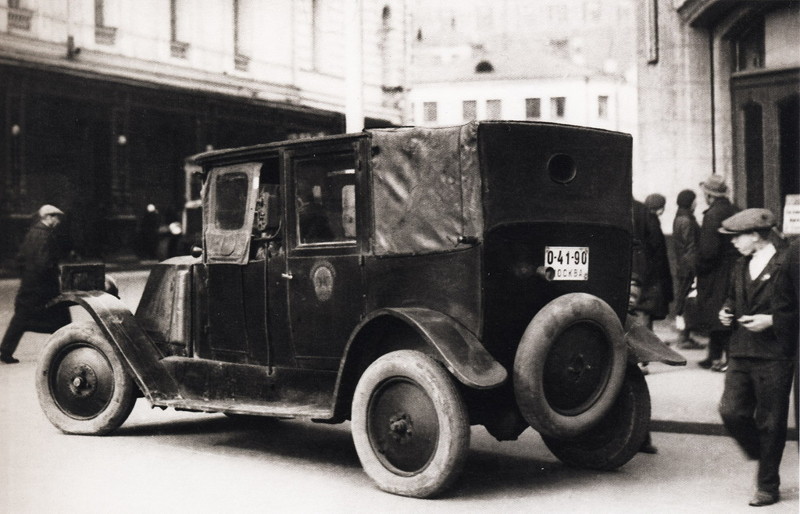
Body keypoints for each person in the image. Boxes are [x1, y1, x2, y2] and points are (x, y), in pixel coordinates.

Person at [716, 209, 797, 507]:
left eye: (737, 237)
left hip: (774, 353)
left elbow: (796, 307)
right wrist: (726, 312)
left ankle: (767, 485)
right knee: (731, 411)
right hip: (740, 349)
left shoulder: (787, 262)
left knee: (771, 422)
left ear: (755, 236)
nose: (734, 243)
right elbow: (732, 298)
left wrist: (772, 321)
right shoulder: (739, 265)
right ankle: (764, 454)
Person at [0, 205, 71, 364]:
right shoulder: (45, 235)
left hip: (31, 283)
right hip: (43, 285)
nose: (58, 221)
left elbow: (20, 259)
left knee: (23, 318)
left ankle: (6, 350)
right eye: (56, 217)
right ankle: (64, 350)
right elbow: (43, 262)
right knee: (59, 318)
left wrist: (27, 276)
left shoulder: (32, 232)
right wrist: (52, 272)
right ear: (48, 217)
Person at [696, 175, 739, 372]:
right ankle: (714, 356)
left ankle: (726, 359)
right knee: (724, 311)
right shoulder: (733, 208)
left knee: (718, 314)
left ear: (708, 194)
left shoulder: (712, 214)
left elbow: (708, 251)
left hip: (716, 272)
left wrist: (700, 268)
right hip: (733, 267)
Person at [672, 189, 703, 349]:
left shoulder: (679, 217)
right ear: (690, 202)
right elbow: (690, 247)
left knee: (683, 298)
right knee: (684, 300)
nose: (696, 203)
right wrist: (695, 269)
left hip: (682, 265)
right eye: (694, 200)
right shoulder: (687, 220)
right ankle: (683, 337)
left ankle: (684, 335)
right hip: (688, 267)